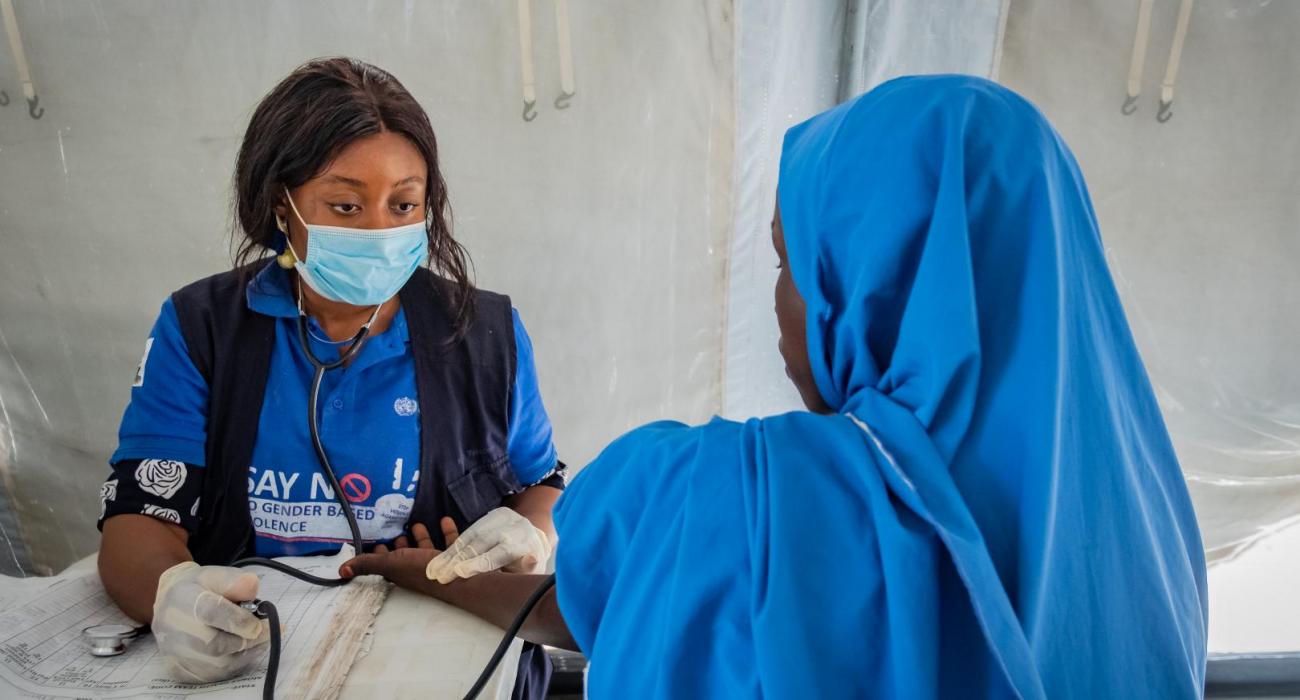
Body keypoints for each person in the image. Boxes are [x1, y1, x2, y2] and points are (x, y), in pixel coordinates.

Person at [343, 75, 1208, 698]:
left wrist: (421, 573)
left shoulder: (727, 491)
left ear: (874, 284)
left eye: (793, 264)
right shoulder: (1155, 526)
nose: (782, 303)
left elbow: (597, 595)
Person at [95, 57, 564, 697]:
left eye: (404, 204)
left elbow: (541, 485)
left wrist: (530, 532)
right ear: (279, 206)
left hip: (444, 652)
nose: (379, 230)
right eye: (345, 205)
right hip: (258, 647)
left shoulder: (487, 333)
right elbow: (139, 520)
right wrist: (169, 595)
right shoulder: (201, 328)